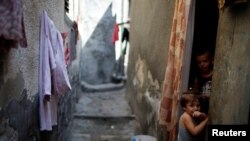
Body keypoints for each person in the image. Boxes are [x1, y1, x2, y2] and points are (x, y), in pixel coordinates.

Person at [191, 49, 213, 113]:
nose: (202, 64)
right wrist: (200, 96)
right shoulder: (197, 77)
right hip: (202, 106)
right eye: (199, 62)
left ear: (211, 61)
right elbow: (195, 92)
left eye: (205, 61)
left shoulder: (215, 74)